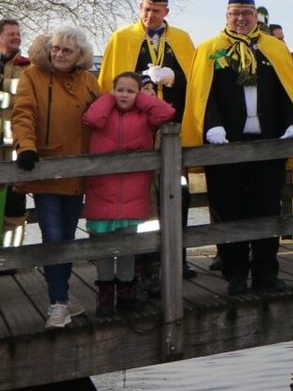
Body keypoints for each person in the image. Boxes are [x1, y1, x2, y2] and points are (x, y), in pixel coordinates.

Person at [183, 0, 293, 294]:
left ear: (255, 16)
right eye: (235, 13)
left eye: (247, 13)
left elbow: (287, 89)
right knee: (228, 210)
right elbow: (202, 92)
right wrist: (211, 125)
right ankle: (234, 272)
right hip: (226, 145)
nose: (241, 18)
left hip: (267, 144)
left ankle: (266, 272)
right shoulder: (212, 49)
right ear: (227, 15)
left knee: (267, 208)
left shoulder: (274, 48)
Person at [98, 0, 197, 278]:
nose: (150, 14)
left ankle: (176, 258)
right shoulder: (122, 38)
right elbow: (108, 85)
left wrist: (173, 78)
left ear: (166, 12)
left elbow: (195, 83)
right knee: (140, 195)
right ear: (139, 7)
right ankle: (143, 262)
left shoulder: (181, 39)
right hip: (137, 130)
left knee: (178, 193)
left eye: (156, 9)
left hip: (172, 128)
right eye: (146, 8)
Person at [11, 27, 100, 328]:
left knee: (69, 237)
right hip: (47, 169)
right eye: (56, 48)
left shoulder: (89, 81)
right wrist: (26, 146)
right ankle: (58, 303)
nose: (59, 54)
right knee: (53, 237)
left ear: (79, 55)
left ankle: (63, 295)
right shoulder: (32, 76)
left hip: (78, 172)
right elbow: (23, 114)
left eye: (67, 50)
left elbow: (105, 116)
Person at [83, 72, 176, 316]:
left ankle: (126, 292)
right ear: (112, 91)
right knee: (102, 248)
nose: (124, 95)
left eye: (130, 91)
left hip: (133, 194)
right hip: (101, 192)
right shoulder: (104, 112)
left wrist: (142, 98)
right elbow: (91, 118)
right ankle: (105, 296)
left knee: (128, 247)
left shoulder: (145, 116)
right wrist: (108, 98)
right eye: (120, 90)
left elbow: (166, 113)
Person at [0, 18, 30, 255]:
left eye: (18, 34)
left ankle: (12, 255)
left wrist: (3, 83)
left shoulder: (27, 66)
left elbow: (26, 90)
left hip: (14, 145)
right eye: (11, 34)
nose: (17, 37)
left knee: (15, 202)